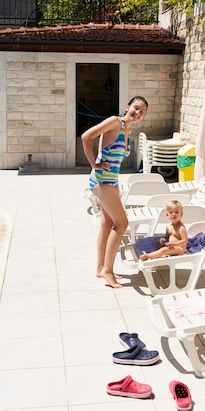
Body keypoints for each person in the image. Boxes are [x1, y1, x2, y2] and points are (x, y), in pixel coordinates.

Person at [81, 96, 148, 288]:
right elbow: (86, 137)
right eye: (136, 108)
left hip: (112, 181)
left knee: (108, 224)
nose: (138, 113)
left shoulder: (128, 129)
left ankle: (100, 268)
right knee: (122, 223)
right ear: (127, 107)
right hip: (102, 181)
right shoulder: (114, 122)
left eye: (142, 111)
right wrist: (94, 163)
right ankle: (108, 271)